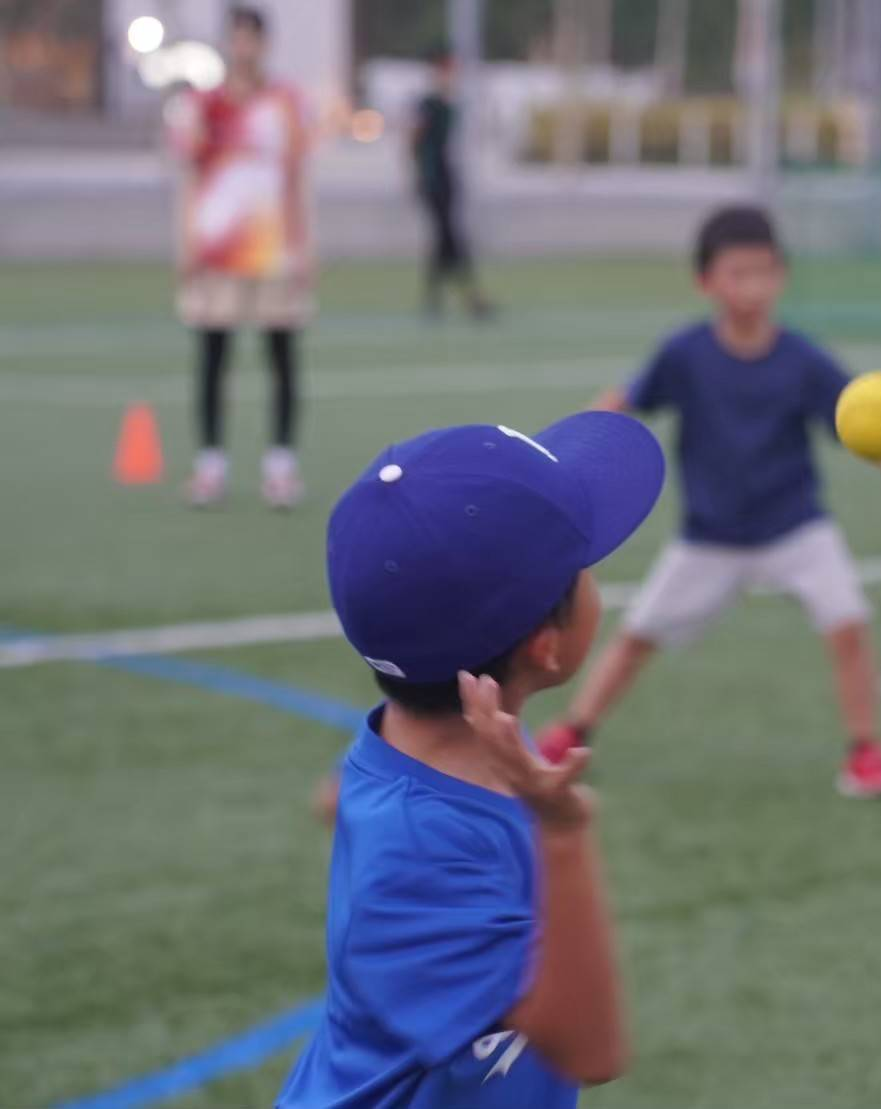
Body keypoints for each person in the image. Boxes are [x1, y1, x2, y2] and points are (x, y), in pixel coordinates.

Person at [279, 410, 666, 1107]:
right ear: (546, 646)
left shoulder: (442, 726)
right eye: (584, 566)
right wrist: (564, 832)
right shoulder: (429, 846)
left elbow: (346, 796)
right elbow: (591, 1050)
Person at [537, 206, 881, 798]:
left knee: (849, 625)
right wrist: (559, 460)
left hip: (795, 527)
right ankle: (570, 734)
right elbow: (621, 402)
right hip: (710, 536)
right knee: (636, 637)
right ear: (706, 281)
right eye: (737, 273)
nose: (753, 287)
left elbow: (880, 440)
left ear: (781, 275)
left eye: (764, 272)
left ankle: (864, 753)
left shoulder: (802, 359)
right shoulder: (684, 353)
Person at [174, 5, 313, 509]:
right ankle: (211, 464)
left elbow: (298, 179)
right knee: (213, 356)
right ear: (227, 44)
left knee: (282, 356)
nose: (244, 48)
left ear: (264, 44)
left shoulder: (286, 103)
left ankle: (281, 465)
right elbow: (191, 178)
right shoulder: (204, 106)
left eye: (252, 38)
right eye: (236, 38)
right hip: (218, 250)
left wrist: (305, 246)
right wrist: (187, 241)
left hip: (273, 247)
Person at [411, 50, 492, 320]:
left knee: (445, 240)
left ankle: (437, 298)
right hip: (433, 177)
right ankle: (471, 296)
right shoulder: (429, 103)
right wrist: (419, 174)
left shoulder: (450, 104)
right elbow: (415, 138)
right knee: (450, 238)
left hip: (446, 175)